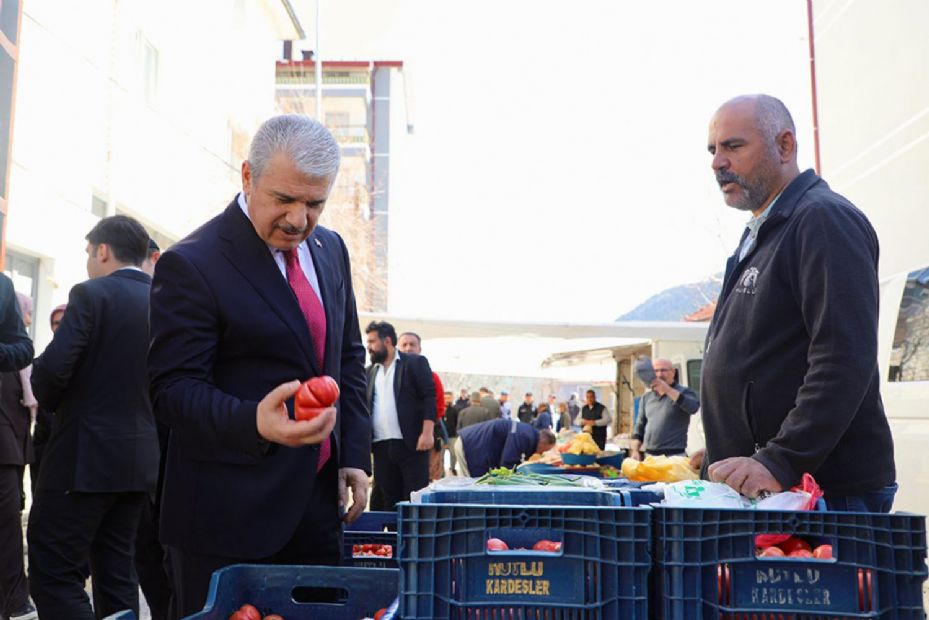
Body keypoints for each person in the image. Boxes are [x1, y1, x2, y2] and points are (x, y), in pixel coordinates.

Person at [147, 115, 371, 617]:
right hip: (229, 518)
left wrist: (353, 454)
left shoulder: (330, 249)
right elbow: (172, 390)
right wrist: (254, 422)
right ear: (248, 177)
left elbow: (348, 357)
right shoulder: (193, 263)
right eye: (283, 199)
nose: (298, 219)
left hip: (316, 511)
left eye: (314, 203)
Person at [701, 94, 896, 511]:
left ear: (785, 145)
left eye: (733, 146)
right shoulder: (764, 230)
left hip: (822, 494)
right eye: (713, 150)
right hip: (776, 491)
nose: (718, 162)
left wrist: (781, 459)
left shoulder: (822, 220)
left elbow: (843, 356)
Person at [28, 216, 159, 620]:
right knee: (117, 575)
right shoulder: (165, 301)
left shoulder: (91, 295)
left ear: (103, 251)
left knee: (53, 573)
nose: (88, 261)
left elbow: (52, 372)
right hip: (140, 464)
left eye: (89, 252)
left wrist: (49, 399)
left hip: (84, 459)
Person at [365, 321, 435, 508]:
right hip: (381, 447)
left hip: (412, 444)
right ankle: (392, 537)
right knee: (388, 500)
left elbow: (429, 396)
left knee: (414, 497)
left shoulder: (414, 363)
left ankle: (413, 537)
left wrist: (427, 433)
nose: (368, 347)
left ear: (387, 341)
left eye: (372, 341)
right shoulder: (370, 372)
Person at [0, 276, 35, 620]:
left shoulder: (1, 287)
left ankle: (15, 602)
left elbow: (23, 348)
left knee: (6, 523)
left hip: (4, 442)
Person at [396, 331, 447, 481]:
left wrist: (426, 431)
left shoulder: (432, 377)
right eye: (404, 344)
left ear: (419, 349)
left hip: (422, 439)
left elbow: (438, 406)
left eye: (412, 344)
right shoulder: (388, 375)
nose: (408, 348)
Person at [630, 358, 699, 460]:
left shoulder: (685, 392)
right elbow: (639, 426)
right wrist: (635, 450)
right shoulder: (647, 397)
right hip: (650, 456)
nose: (659, 375)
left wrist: (667, 389)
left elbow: (693, 408)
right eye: (656, 371)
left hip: (674, 456)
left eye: (663, 370)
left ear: (673, 372)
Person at [30, 304, 66, 494]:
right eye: (55, 323)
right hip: (45, 441)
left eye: (63, 322)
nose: (59, 327)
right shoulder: (45, 359)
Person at [454, 419, 556, 478]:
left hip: (474, 444)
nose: (543, 453)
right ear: (542, 443)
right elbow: (507, 462)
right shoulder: (523, 436)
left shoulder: (528, 434)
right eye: (545, 450)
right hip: (469, 445)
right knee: (472, 485)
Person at [442, 391, 462, 475]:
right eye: (445, 398)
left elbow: (458, 422)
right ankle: (441, 471)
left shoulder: (455, 409)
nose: (447, 400)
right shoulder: (440, 409)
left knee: (453, 454)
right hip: (441, 436)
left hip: (452, 435)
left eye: (449, 398)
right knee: (441, 455)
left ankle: (453, 467)